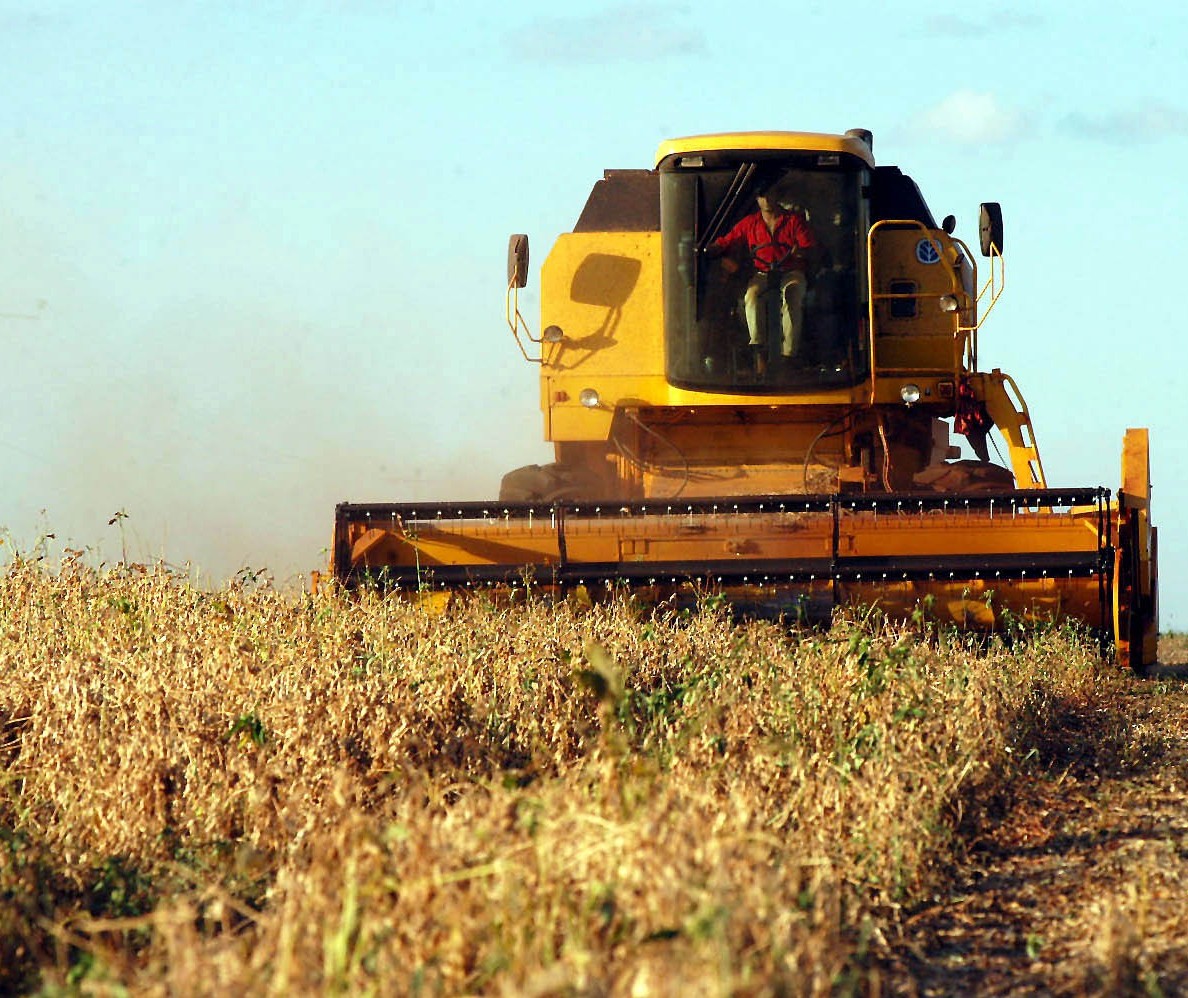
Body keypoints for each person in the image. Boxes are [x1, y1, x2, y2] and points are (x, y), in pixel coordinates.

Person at [705, 191, 817, 372]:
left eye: (769, 195)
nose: (766, 200)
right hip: (763, 273)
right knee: (751, 295)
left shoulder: (794, 221)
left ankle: (789, 355)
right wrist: (714, 248)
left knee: (792, 294)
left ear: (776, 196)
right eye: (761, 196)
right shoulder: (750, 223)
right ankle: (759, 350)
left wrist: (801, 252)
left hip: (790, 272)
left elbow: (808, 247)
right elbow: (729, 239)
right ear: (756, 199)